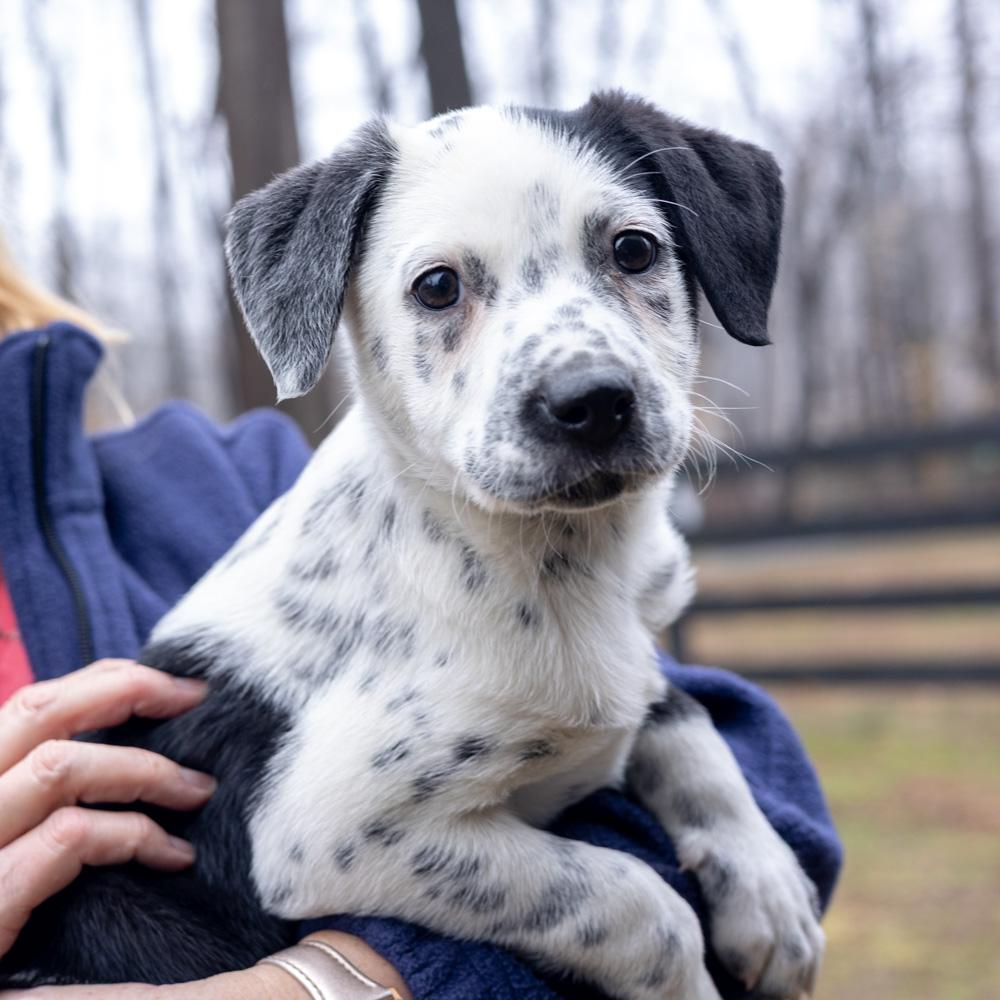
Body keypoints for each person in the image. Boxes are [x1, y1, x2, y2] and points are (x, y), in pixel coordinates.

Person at [0, 238, 842, 999]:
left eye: (631, 253)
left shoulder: (230, 482)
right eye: (440, 288)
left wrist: (342, 981)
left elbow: (743, 755)